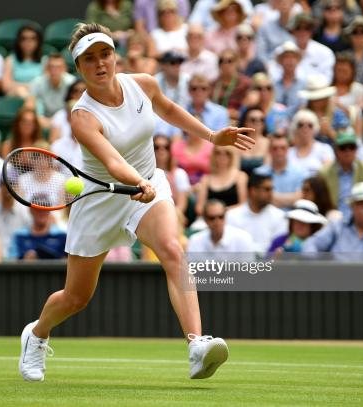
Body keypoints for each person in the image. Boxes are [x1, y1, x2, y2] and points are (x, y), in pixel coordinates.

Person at [18, 23, 255, 382]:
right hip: (101, 199)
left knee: (173, 250)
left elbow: (169, 109)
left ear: (116, 55)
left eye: (105, 54)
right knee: (76, 297)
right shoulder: (82, 117)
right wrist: (137, 180)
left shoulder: (142, 83)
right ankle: (36, 334)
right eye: (89, 59)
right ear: (78, 69)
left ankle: (196, 345)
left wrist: (211, 136)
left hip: (146, 187)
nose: (100, 64)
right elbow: (112, 162)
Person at [319, 132, 363, 219]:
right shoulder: (324, 173)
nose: (348, 151)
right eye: (343, 148)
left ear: (356, 150)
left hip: (362, 214)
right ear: (336, 151)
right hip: (333, 217)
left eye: (351, 147)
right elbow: (321, 202)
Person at [225, 172, 288, 253]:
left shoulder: (280, 216)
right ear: (253, 191)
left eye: (272, 189)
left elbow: (278, 248)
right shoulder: (232, 216)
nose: (271, 193)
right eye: (267, 189)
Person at [0, 177, 31, 260]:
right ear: (0, 187)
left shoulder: (26, 213)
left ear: (17, 187)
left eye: (11, 184)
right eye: (4, 185)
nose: (8, 188)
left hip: (20, 261)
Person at [255, 134, 307, 210]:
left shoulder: (300, 172)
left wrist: (270, 197)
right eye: (275, 148)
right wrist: (291, 198)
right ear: (269, 150)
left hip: (291, 219)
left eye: (283, 148)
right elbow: (258, 199)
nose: (279, 151)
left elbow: (300, 199)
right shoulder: (259, 173)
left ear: (288, 150)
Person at [187, 198, 254, 254]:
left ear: (225, 216)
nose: (217, 221)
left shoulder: (243, 238)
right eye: (212, 218)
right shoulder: (195, 241)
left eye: (221, 217)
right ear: (205, 219)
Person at [195, 145, 247, 216]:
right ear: (213, 155)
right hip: (210, 219)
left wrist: (221, 212)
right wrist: (213, 214)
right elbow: (199, 208)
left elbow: (243, 205)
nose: (222, 156)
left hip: (234, 217)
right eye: (218, 153)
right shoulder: (206, 179)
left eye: (227, 153)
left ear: (232, 155)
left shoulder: (240, 176)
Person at [1, 24, 44, 98]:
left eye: (32, 39)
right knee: (20, 90)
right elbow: (5, 86)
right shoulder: (10, 60)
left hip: (38, 98)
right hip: (15, 99)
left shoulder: (45, 61)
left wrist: (17, 85)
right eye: (24, 39)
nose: (28, 42)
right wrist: (28, 87)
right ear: (19, 42)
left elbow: (45, 87)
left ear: (38, 41)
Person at [287, 110, 335, 176]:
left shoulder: (324, 149)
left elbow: (329, 174)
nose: (305, 128)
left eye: (310, 125)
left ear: (315, 128)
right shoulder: (288, 153)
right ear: (295, 128)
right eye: (300, 125)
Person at [30, 53, 77, 118]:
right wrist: (38, 119)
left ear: (65, 69)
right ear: (47, 68)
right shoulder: (37, 82)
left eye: (58, 67)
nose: (55, 70)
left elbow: (76, 106)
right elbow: (30, 104)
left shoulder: (72, 83)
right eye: (52, 67)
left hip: (66, 120)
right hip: (44, 119)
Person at [153, 134, 190, 214]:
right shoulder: (145, 174)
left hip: (173, 215)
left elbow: (181, 206)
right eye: (157, 147)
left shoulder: (180, 174)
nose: (161, 150)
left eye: (166, 147)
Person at [210, 49, 251, 120]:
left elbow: (246, 110)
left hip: (238, 122)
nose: (225, 64)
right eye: (221, 61)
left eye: (230, 61)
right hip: (216, 121)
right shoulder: (213, 84)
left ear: (237, 63)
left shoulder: (245, 83)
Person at [237, 106, 269, 175]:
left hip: (261, 182)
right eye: (253, 120)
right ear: (245, 122)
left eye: (261, 119)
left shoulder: (269, 143)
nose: (258, 122)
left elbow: (268, 169)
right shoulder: (238, 143)